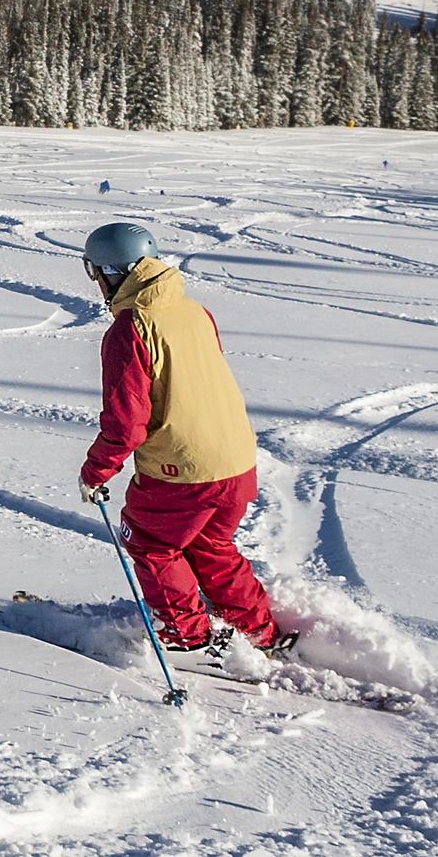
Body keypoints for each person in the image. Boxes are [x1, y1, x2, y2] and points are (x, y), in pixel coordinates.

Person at [77, 222, 293, 661]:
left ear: (110, 273)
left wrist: (96, 470)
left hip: (183, 470)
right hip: (235, 459)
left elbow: (126, 422)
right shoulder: (194, 310)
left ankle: (189, 636)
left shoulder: (130, 329)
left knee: (153, 545)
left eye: (95, 272)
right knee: (209, 544)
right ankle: (259, 631)